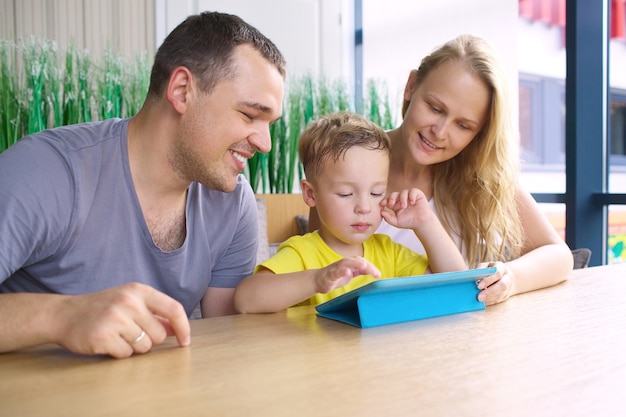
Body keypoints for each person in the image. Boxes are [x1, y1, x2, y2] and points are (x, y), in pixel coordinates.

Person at [0, 12, 286, 358]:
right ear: (182, 91)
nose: (266, 143)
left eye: (270, 123)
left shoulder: (233, 205)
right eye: (250, 115)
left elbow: (223, 340)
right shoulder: (47, 171)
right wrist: (60, 317)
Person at [313, 34, 573, 306]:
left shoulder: (482, 178)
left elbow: (559, 255)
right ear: (411, 86)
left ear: (479, 133)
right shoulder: (346, 162)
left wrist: (512, 278)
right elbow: (314, 263)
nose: (439, 132)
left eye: (463, 126)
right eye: (435, 108)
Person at [233, 112, 467, 313]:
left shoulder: (389, 253)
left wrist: (426, 223)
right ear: (311, 194)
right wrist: (317, 279)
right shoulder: (303, 253)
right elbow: (246, 299)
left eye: (376, 193)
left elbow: (456, 281)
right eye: (346, 194)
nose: (364, 207)